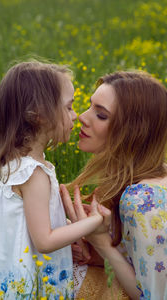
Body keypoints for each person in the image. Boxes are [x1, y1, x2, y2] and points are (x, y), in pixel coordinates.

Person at [0, 60, 108, 299]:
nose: (76, 115)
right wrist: (94, 223)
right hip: (29, 286)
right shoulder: (33, 173)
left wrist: (70, 226)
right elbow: (45, 241)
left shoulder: (15, 163)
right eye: (69, 107)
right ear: (39, 116)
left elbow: (29, 226)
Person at [60, 70, 167, 300]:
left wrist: (102, 244)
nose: (82, 117)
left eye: (100, 115)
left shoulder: (143, 200)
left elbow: (154, 295)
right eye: (90, 106)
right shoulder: (152, 174)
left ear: (132, 133)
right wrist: (95, 249)